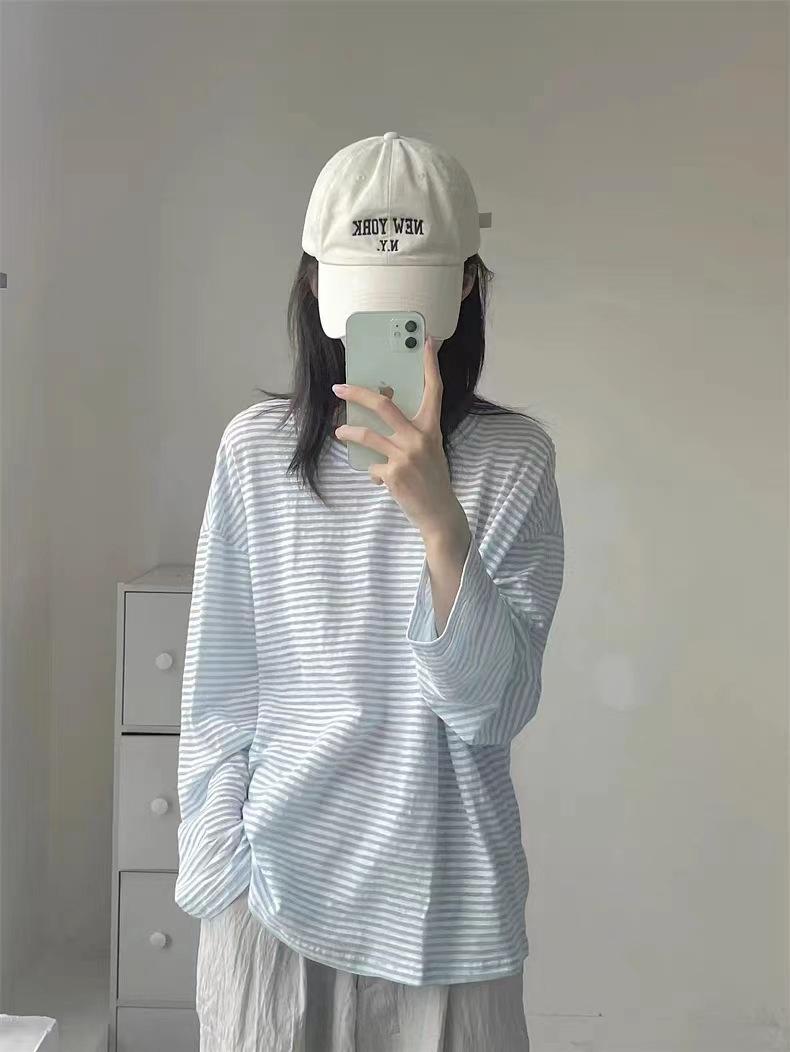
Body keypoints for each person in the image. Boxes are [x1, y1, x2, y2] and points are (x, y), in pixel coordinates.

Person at [175, 132, 565, 1051]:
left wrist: (440, 523)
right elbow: (220, 692)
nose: (388, 325)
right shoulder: (255, 451)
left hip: (449, 915)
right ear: (314, 283)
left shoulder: (513, 460)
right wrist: (218, 871)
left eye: (411, 303)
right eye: (365, 300)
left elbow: (493, 711)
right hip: (272, 905)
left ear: (466, 286)